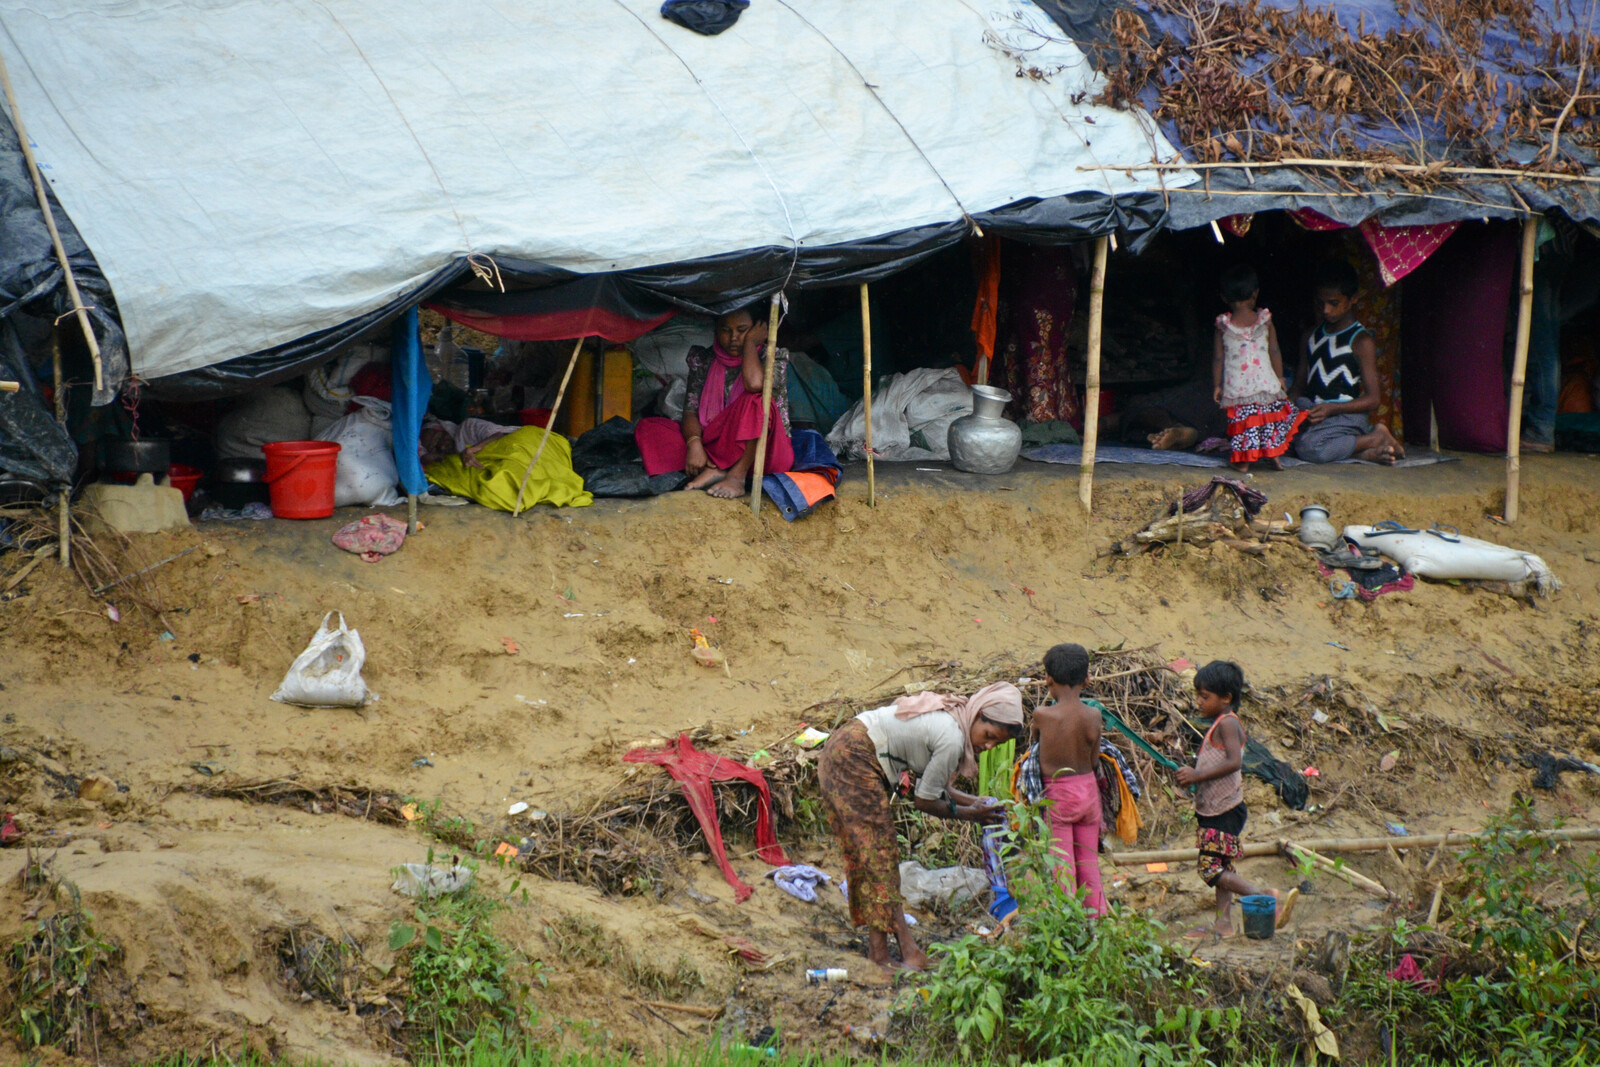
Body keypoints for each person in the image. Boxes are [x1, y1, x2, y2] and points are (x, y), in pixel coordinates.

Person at [817, 683, 1024, 972]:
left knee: (871, 857)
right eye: (988, 735)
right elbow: (925, 801)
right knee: (880, 858)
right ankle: (901, 952)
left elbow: (940, 787)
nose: (988, 746)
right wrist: (971, 814)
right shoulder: (952, 738)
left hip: (847, 747)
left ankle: (883, 950)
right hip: (855, 757)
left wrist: (976, 803)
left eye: (997, 744)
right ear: (978, 715)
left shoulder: (953, 720)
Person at [1174, 661, 1294, 939]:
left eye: (1205, 696)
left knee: (1209, 870)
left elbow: (1233, 761)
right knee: (1222, 868)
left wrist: (1197, 775)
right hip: (1220, 808)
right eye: (1198, 695)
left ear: (1226, 698)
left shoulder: (1228, 722)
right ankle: (1223, 924)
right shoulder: (1222, 722)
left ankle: (1263, 896)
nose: (1199, 702)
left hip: (1223, 810)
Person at [633, 304, 793, 498]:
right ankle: (717, 469)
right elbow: (690, 410)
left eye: (742, 330)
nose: (734, 338)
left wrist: (750, 344)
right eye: (726, 330)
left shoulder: (772, 357)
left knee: (757, 402)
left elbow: (754, 384)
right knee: (650, 428)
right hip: (714, 447)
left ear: (758, 330)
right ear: (716, 330)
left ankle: (736, 475)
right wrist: (694, 445)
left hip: (761, 454)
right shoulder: (703, 359)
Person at [1290, 260, 1405, 465]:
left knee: (1310, 448)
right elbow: (1298, 389)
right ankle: (1363, 453)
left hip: (1345, 417)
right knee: (1278, 441)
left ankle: (1375, 437)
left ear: (1353, 299)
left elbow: (1373, 399)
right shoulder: (1310, 336)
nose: (1325, 310)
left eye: (1334, 303)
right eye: (1320, 303)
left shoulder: (1360, 341)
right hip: (1315, 414)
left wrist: (1332, 408)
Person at [1033, 643, 1106, 917]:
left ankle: (1065, 922)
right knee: (1088, 860)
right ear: (1086, 679)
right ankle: (1096, 920)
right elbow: (1095, 759)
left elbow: (1034, 753)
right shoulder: (1094, 715)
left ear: (1049, 678)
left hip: (1058, 795)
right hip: (1089, 793)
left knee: (1062, 863)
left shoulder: (1043, 715)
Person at [1214, 265, 1305, 472]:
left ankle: (1244, 461)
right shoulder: (1265, 321)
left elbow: (1218, 359)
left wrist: (1217, 385)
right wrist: (1280, 377)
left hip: (1239, 387)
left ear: (1224, 297)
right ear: (1255, 294)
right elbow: (1274, 350)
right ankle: (1274, 458)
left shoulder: (1222, 326)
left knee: (1247, 423)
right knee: (1268, 420)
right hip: (1266, 382)